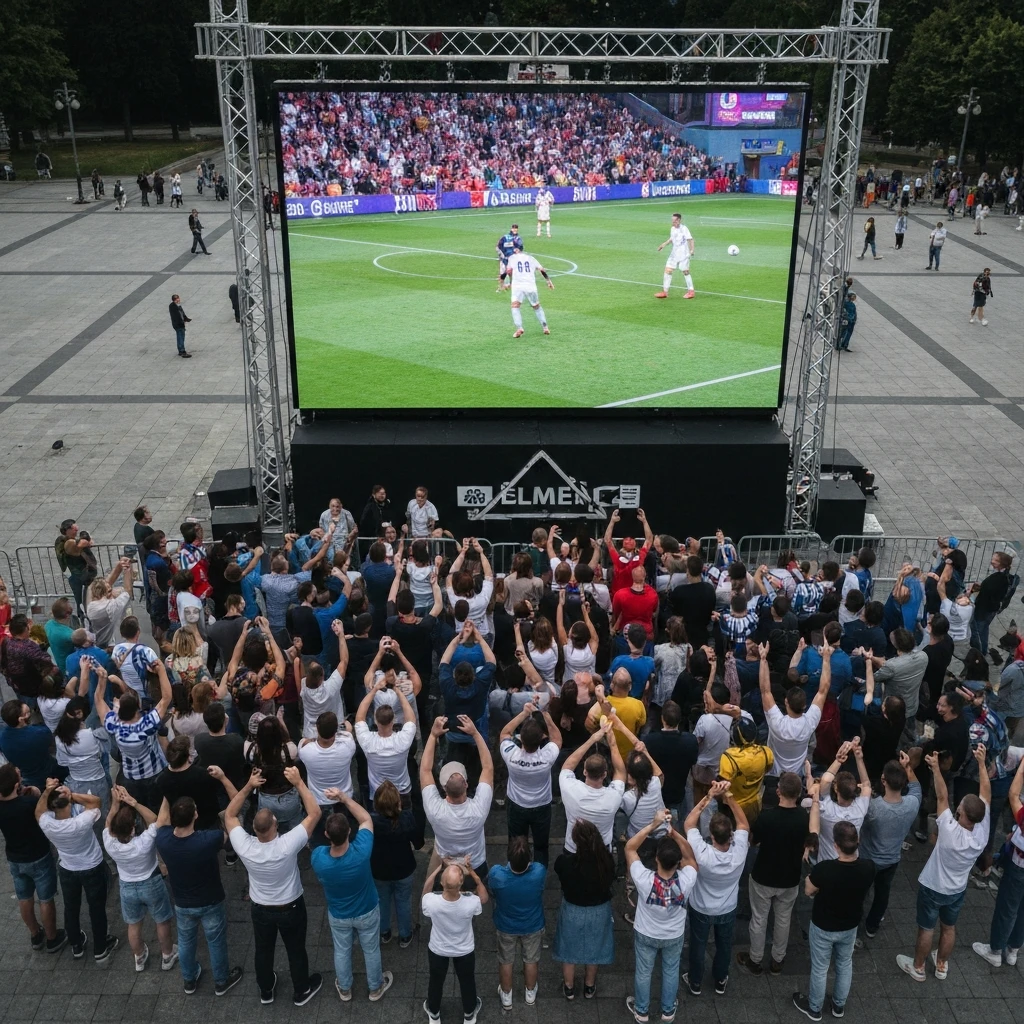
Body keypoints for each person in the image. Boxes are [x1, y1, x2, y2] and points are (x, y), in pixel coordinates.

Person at [226, 765, 323, 1005]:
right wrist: (299, 783)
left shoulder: (245, 846)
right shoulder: (287, 844)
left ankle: (266, 989)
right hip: (290, 907)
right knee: (296, 949)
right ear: (275, 825)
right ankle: (301, 990)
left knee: (263, 949)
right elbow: (314, 813)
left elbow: (230, 815)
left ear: (256, 830)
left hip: (261, 908)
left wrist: (249, 785)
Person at [897, 744, 990, 982]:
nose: (955, 808)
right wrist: (981, 764)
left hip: (933, 886)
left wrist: (936, 769)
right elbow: (986, 794)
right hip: (957, 889)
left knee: (926, 928)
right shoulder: (982, 833)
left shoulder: (949, 829)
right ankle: (941, 965)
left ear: (963, 814)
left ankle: (918, 967)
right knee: (949, 927)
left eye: (959, 809)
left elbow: (941, 796)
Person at [792, 793, 876, 1022]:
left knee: (820, 967)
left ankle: (815, 1008)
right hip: (850, 925)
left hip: (823, 924)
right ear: (857, 843)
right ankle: (838, 1006)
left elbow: (809, 891)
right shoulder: (868, 867)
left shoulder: (825, 870)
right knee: (844, 963)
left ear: (836, 845)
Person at [155, 794, 244, 996]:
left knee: (186, 941)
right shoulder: (208, 839)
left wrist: (167, 795)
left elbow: (161, 822)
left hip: (183, 902)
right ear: (195, 815)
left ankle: (189, 979)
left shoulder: (163, 839)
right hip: (211, 899)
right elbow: (228, 839)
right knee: (216, 941)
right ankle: (221, 980)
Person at [312, 786, 393, 1001]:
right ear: (349, 831)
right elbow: (366, 819)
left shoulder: (319, 857)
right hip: (367, 908)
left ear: (327, 834)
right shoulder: (362, 850)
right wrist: (343, 797)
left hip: (338, 914)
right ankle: (375, 987)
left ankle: (345, 988)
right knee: (371, 949)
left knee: (341, 950)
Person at [626, 807, 699, 1024]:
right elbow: (691, 857)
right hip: (673, 934)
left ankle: (641, 1011)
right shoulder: (687, 879)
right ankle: (668, 1011)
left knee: (643, 971)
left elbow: (630, 848)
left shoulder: (643, 878)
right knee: (670, 970)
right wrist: (674, 833)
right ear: (678, 863)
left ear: (656, 858)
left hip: (646, 931)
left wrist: (654, 824)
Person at [35, 778, 117, 962]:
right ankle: (100, 948)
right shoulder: (81, 821)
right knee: (96, 908)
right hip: (92, 867)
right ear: (68, 803)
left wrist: (48, 791)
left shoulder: (47, 823)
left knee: (71, 908)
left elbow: (38, 810)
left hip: (67, 869)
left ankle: (76, 944)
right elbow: (96, 802)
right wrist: (71, 795)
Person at [736, 770, 808, 976]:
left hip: (764, 875)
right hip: (790, 877)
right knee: (783, 918)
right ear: (798, 793)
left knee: (759, 918)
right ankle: (778, 960)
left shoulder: (767, 817)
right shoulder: (803, 818)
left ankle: (755, 959)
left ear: (778, 792)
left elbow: (754, 841)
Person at [682, 780, 749, 997]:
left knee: (698, 945)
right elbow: (743, 824)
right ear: (731, 835)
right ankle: (720, 980)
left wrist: (709, 796)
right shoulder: (740, 852)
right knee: (724, 946)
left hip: (700, 907)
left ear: (711, 836)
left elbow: (689, 824)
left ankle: (695, 982)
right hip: (727, 908)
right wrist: (728, 796)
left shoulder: (702, 853)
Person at [102, 785, 178, 972]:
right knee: (162, 920)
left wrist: (115, 803)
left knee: (133, 924)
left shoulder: (109, 842)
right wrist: (133, 802)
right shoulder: (144, 842)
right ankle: (167, 955)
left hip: (127, 886)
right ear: (133, 829)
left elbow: (108, 823)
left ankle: (139, 957)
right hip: (151, 882)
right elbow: (155, 820)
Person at [0, 764, 67, 953]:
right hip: (38, 856)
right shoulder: (28, 804)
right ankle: (53, 938)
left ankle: (35, 934)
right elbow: (42, 809)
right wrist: (41, 793)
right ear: (15, 786)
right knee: (45, 899)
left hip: (15, 859)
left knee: (24, 897)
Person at [420, 715, 493, 879]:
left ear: (444, 788)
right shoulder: (479, 809)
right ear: (466, 784)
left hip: (446, 865)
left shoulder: (435, 810)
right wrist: (475, 733)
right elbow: (487, 768)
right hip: (476, 864)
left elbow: (425, 770)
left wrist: (432, 736)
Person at [552, 818, 616, 999]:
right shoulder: (607, 862)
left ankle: (569, 986)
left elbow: (559, 870)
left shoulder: (565, 863)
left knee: (568, 949)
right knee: (595, 948)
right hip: (599, 910)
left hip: (573, 910)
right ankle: (589, 985)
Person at [860, 753, 921, 938]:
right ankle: (872, 925)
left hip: (867, 859)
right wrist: (908, 766)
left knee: (860, 894)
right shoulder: (912, 804)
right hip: (892, 860)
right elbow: (917, 787)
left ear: (883, 780)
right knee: (882, 893)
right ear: (903, 783)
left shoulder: (873, 808)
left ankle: (853, 926)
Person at [422, 857, 487, 1024]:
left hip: (438, 948)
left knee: (436, 981)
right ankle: (469, 1014)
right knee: (467, 981)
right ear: (461, 885)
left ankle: (434, 1013)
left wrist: (438, 868)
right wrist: (473, 873)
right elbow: (484, 898)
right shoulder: (471, 902)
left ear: (442, 883)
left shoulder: (432, 902)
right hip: (464, 949)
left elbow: (425, 891)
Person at [99, 663, 172, 811]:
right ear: (137, 708)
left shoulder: (113, 724)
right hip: (153, 772)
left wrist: (102, 680)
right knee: (157, 807)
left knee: (139, 807)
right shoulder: (146, 725)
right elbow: (166, 698)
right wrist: (162, 671)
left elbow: (99, 701)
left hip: (131, 775)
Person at [973, 755, 1024, 966]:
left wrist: (1022, 767)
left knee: (1007, 907)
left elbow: (1013, 795)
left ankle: (995, 951)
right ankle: (1013, 949)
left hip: (1019, 865)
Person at [499, 701, 562, 866]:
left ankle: (515, 868)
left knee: (515, 842)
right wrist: (547, 717)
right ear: (542, 738)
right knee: (541, 845)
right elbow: (557, 739)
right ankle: (539, 873)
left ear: (520, 739)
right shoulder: (547, 757)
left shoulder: (511, 755)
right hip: (541, 806)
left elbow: (505, 733)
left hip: (517, 805)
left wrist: (524, 713)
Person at [489, 835, 547, 1009]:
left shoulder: (497, 874)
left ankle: (506, 994)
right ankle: (530, 992)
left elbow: (491, 890)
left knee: (506, 960)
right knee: (531, 959)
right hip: (533, 925)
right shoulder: (539, 872)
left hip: (506, 926)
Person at [558, 718, 626, 851]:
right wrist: (613, 744)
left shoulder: (570, 788)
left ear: (584, 771)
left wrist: (592, 740)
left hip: (573, 848)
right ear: (605, 774)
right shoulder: (613, 797)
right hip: (602, 850)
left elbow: (568, 765)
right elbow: (620, 773)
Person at [370, 779, 423, 947]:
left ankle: (384, 933)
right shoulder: (406, 818)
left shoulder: (371, 822)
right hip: (404, 868)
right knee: (404, 901)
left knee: (382, 901)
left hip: (379, 870)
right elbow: (419, 843)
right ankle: (405, 935)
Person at [355, 674, 418, 802]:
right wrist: (398, 691)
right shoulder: (403, 741)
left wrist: (374, 689)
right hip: (402, 791)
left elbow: (359, 717)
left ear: (376, 721)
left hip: (378, 794)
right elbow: (411, 718)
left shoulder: (368, 742)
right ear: (393, 720)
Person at [298, 711, 356, 838]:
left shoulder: (306, 751)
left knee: (320, 835)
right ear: (335, 731)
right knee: (341, 832)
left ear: (317, 729)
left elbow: (303, 742)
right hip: (343, 797)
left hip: (319, 800)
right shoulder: (348, 745)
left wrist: (314, 738)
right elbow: (349, 729)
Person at [644, 700, 698, 822]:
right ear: (679, 720)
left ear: (662, 718)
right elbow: (693, 761)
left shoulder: (650, 741)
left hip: (657, 792)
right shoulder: (690, 741)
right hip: (679, 790)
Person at [0, 699, 60, 790]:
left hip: (27, 774)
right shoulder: (38, 733)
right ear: (21, 719)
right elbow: (48, 738)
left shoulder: (2, 736)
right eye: (27, 713)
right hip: (46, 767)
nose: (30, 713)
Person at [654, 212, 695, 299]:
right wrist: (664, 244)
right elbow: (672, 239)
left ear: (679, 220)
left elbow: (690, 239)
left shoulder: (684, 229)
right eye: (672, 220)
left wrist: (691, 250)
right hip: (674, 253)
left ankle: (691, 291)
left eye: (674, 220)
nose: (672, 222)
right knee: (668, 270)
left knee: (685, 271)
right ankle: (665, 292)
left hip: (683, 254)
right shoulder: (672, 229)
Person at [169, 294, 193, 358]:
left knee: (181, 337)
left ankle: (181, 350)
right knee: (180, 337)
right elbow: (177, 316)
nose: (178, 300)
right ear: (174, 300)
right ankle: (182, 351)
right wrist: (182, 322)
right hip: (178, 325)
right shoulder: (173, 306)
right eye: (177, 299)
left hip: (180, 324)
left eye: (178, 298)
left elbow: (182, 313)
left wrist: (186, 318)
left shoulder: (177, 305)